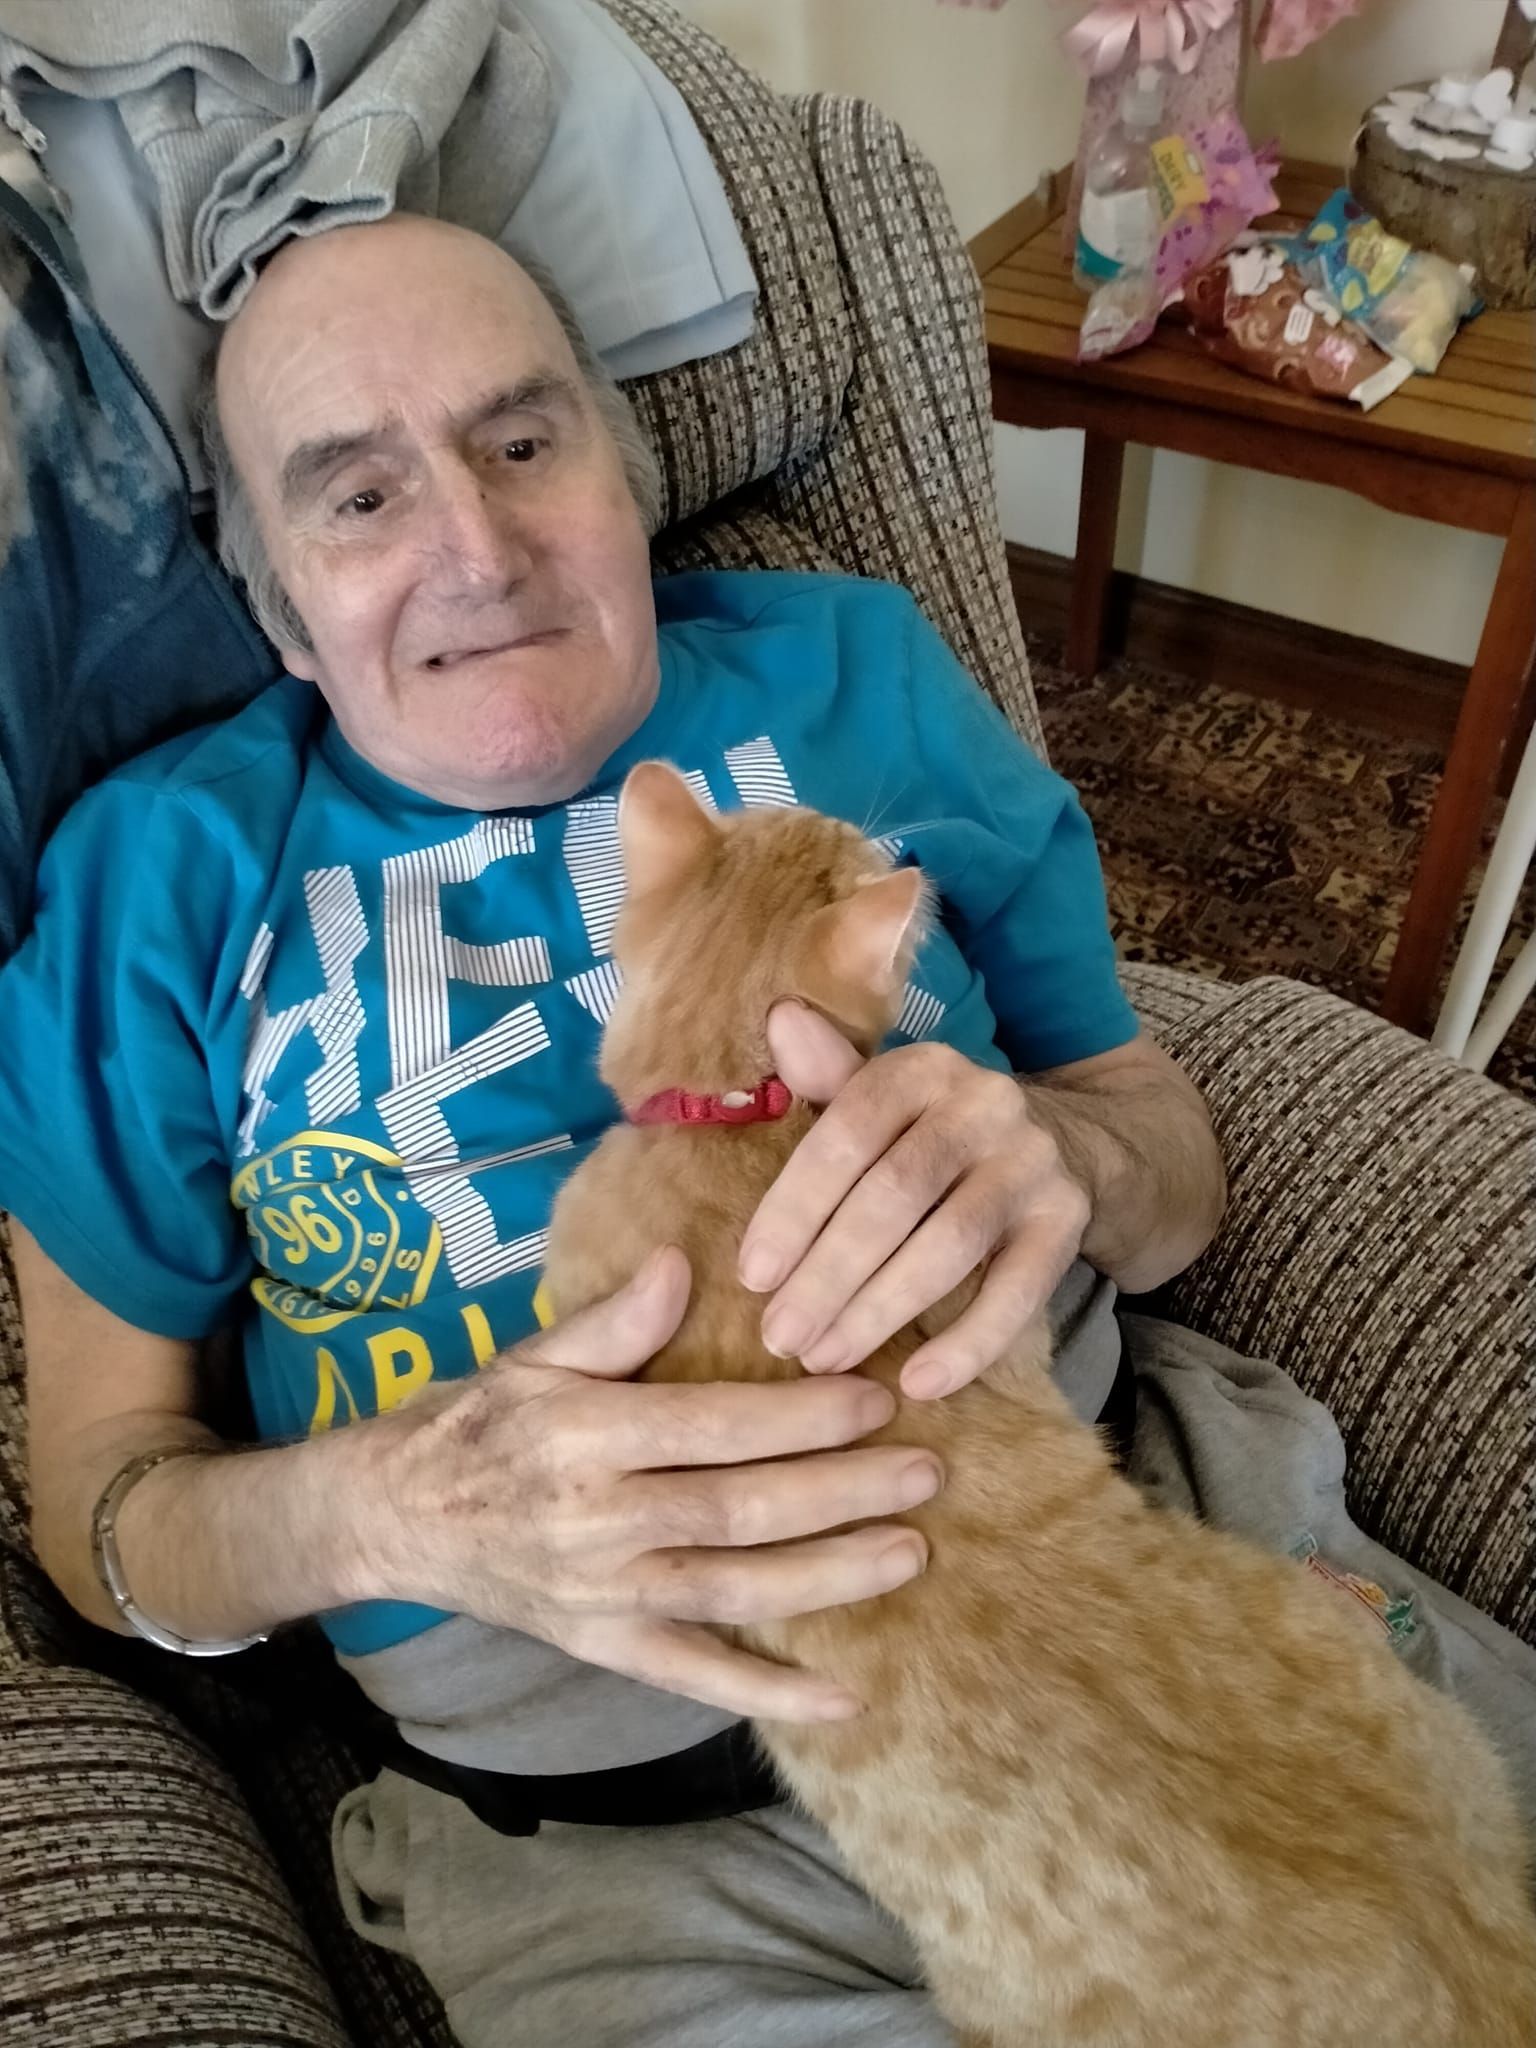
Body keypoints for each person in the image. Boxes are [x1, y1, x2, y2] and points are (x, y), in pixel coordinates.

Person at [1, 215, 1530, 2048]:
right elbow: (102, 1514)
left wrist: (1070, 1154)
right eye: (356, 499)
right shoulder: (159, 874)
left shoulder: (856, 678)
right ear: (274, 609)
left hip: (1167, 1626)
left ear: (625, 473)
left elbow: (1160, 1150)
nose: (476, 553)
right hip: (643, 1857)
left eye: (520, 441)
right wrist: (388, 1508)